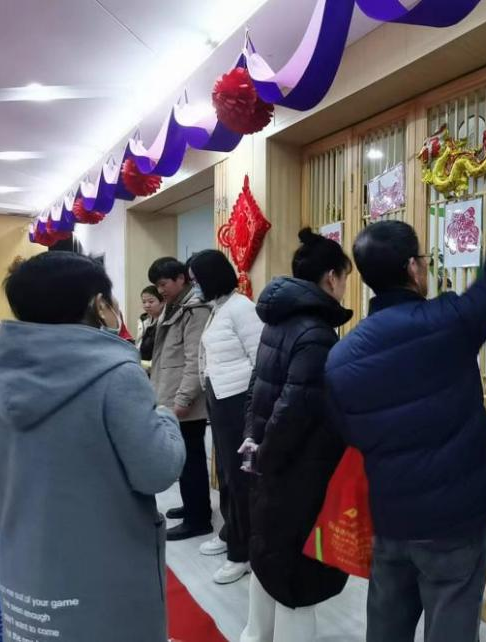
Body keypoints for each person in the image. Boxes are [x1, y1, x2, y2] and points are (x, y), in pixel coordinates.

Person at [324, 218, 486, 642]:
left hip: (389, 515)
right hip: (454, 519)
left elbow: (348, 433)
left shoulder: (341, 358)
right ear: (413, 269)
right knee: (452, 620)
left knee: (386, 623)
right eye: (423, 260)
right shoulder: (447, 321)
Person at [0, 252, 185, 642]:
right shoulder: (118, 377)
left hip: (25, 578)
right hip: (105, 577)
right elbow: (157, 470)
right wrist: (166, 418)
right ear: (98, 304)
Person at [240, 229, 352, 642]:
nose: (344, 287)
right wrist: (270, 456)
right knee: (297, 573)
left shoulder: (278, 322)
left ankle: (255, 635)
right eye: (345, 277)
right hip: (297, 467)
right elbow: (294, 410)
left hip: (268, 459)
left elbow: (255, 389)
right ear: (331, 278)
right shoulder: (316, 334)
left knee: (269, 553)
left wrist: (255, 446)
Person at [189, 250, 262, 585]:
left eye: (197, 279)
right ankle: (231, 531)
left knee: (239, 476)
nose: (194, 286)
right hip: (219, 397)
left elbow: (259, 359)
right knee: (225, 473)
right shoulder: (219, 307)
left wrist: (250, 407)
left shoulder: (242, 308)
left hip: (237, 401)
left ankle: (242, 553)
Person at [148, 256, 213, 541]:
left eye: (164, 283)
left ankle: (198, 519)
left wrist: (183, 400)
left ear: (181, 279)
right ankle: (192, 507)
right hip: (172, 396)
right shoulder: (174, 306)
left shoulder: (195, 310)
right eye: (157, 285)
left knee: (191, 460)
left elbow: (194, 360)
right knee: (184, 459)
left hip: (186, 402)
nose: (160, 289)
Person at [137, 285, 165, 364]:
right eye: (144, 302)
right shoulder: (143, 320)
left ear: (162, 302)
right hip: (143, 365)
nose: (147, 305)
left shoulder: (167, 321)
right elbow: (139, 344)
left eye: (151, 302)